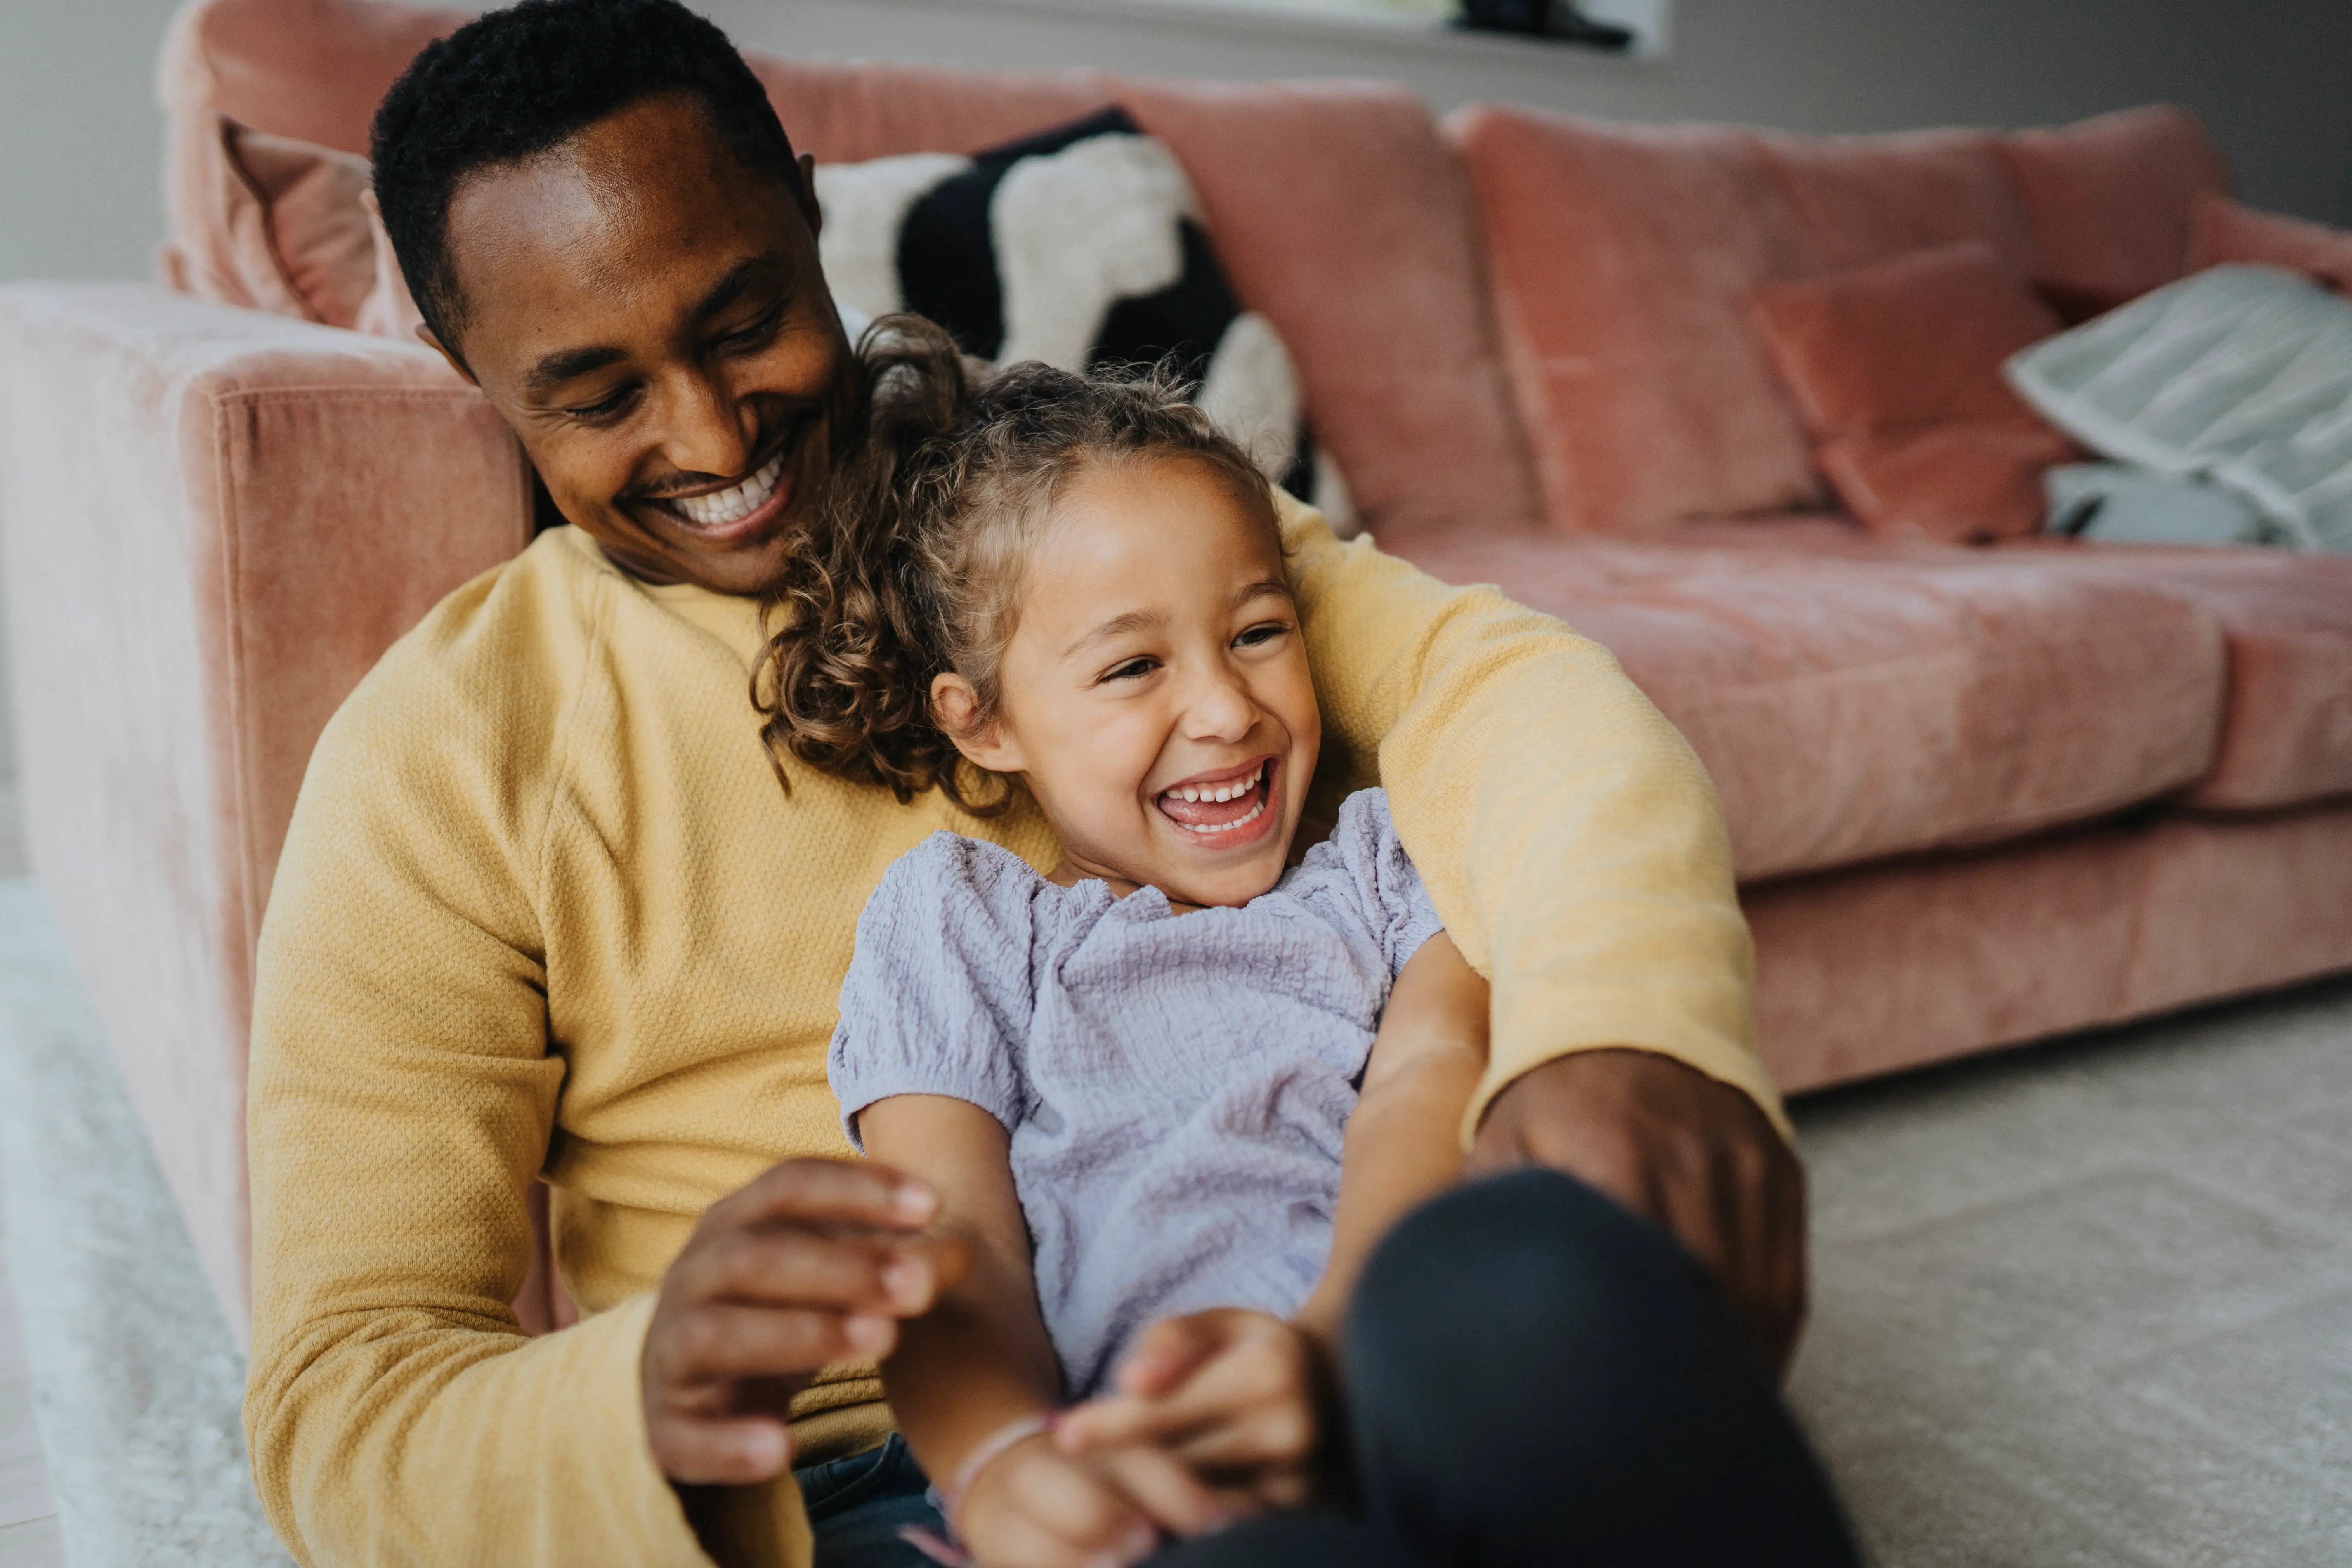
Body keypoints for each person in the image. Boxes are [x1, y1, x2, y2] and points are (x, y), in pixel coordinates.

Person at [241, 2, 1808, 1565]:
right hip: (866, 1485)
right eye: (596, 395)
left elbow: (1495, 696)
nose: (714, 435)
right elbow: (340, 1397)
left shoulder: (1077, 492)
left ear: (805, 205)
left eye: (740, 323)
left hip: (1304, 1328)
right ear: (463, 365)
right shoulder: (445, 747)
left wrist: (1623, 1018)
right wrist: (637, 1399)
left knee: (1558, 1298)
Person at [802, 330, 1854, 1568]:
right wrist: (1000, 1468)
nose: (1226, 709)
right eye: (1134, 665)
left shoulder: (1377, 857)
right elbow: (948, 1241)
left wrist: (1329, 1352)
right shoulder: (962, 916)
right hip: (1140, 1475)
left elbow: (1427, 1075)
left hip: (1397, 1388)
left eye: (1256, 632)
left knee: (1543, 1267)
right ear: (981, 725)